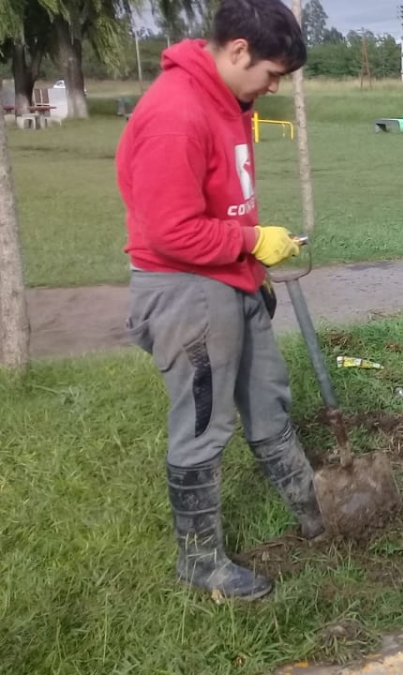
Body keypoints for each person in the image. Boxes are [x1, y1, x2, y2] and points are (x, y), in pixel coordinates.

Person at [116, 0, 323, 601]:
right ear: (238, 51)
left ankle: (316, 510)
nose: (274, 85)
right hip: (185, 291)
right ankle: (200, 561)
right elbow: (170, 231)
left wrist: (251, 260)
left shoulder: (228, 101)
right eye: (272, 73)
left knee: (268, 397)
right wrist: (254, 239)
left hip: (230, 277)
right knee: (205, 423)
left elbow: (218, 206)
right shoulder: (177, 113)